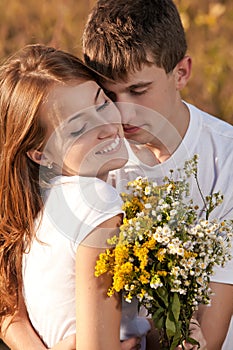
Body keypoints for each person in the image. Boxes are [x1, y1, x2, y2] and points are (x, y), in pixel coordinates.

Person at [82, 0, 233, 349]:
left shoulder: (224, 160)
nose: (122, 111)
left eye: (138, 90)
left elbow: (210, 331)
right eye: (107, 94)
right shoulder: (86, 155)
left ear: (181, 73)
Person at [0, 43, 150, 350]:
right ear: (41, 155)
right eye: (78, 128)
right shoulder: (94, 200)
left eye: (101, 102)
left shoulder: (43, 212)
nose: (107, 127)